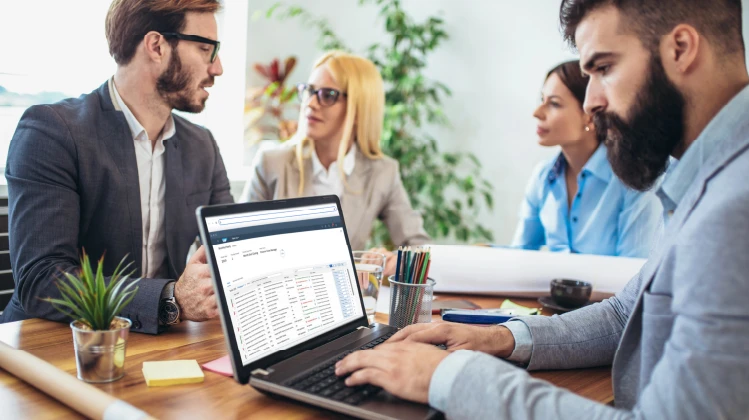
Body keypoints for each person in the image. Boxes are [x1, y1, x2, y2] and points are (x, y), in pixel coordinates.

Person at [335, 0, 749, 418]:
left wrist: (448, 377)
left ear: (681, 49)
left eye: (603, 68)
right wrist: (501, 337)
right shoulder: (707, 178)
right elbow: (627, 312)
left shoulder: (734, 207)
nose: (591, 103)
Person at [0, 0, 233, 334]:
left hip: (155, 343)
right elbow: (42, 280)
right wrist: (170, 299)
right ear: (156, 46)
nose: (218, 68)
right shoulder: (51, 131)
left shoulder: (202, 145)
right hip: (54, 346)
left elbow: (231, 251)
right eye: (205, 48)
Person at [241, 51, 430, 260]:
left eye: (327, 95)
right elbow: (238, 243)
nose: (311, 103)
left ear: (359, 109)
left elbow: (419, 248)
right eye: (310, 91)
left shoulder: (382, 172)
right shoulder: (272, 162)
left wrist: (393, 260)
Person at [511, 60, 661, 257]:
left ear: (589, 115)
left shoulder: (636, 181)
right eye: (542, 100)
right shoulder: (543, 176)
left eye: (554, 103)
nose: (537, 113)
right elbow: (519, 254)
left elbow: (634, 273)